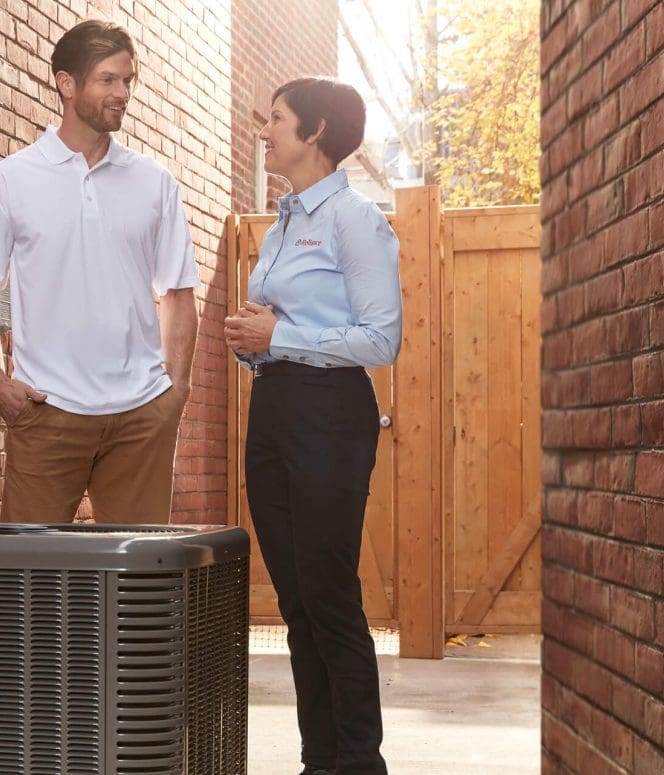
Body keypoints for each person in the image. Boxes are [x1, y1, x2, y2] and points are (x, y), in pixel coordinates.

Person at [0, 20, 199, 525]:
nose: (123, 93)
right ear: (67, 84)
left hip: (141, 414)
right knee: (29, 580)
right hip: (48, 412)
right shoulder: (9, 181)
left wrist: (177, 389)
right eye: (108, 80)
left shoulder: (154, 182)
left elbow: (177, 290)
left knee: (139, 583)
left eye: (128, 80)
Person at [226, 76, 400, 775]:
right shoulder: (286, 221)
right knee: (297, 599)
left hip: (330, 413)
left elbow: (380, 339)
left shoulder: (355, 220)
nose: (264, 131)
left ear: (316, 131)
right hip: (275, 408)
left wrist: (282, 333)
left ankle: (360, 762)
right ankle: (319, 759)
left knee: (330, 594)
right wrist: (255, 344)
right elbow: (280, 330)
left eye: (276, 119)